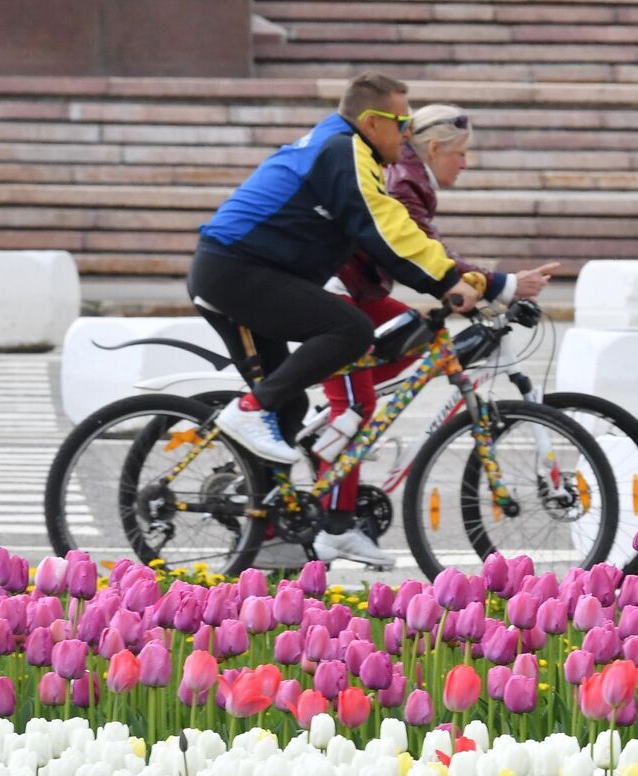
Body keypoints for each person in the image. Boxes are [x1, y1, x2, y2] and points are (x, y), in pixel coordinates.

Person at [187, 71, 483, 467]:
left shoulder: (347, 151)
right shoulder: (344, 152)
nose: (406, 134)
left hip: (242, 270)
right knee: (350, 329)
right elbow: (385, 229)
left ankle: (267, 520)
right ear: (372, 122)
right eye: (401, 124)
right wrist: (447, 281)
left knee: (289, 408)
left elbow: (390, 224)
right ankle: (248, 409)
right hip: (235, 270)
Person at [309, 103, 558, 569]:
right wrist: (496, 283)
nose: (465, 163)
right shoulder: (406, 181)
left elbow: (429, 254)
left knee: (419, 342)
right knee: (358, 404)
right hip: (336, 293)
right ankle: (336, 527)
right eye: (461, 153)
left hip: (357, 289)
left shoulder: (410, 177)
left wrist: (482, 288)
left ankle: (329, 432)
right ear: (436, 147)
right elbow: (425, 253)